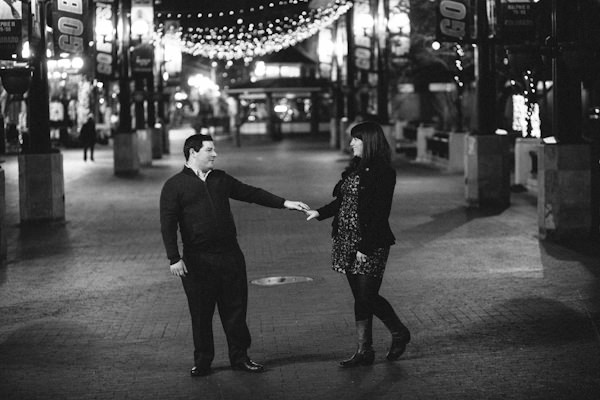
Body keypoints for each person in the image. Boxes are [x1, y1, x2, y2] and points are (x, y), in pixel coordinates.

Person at [160, 133, 309, 377]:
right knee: (201, 313)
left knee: (236, 310)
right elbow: (168, 224)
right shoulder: (174, 186)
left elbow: (251, 193)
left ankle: (240, 357)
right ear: (193, 153)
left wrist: (285, 203)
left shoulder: (220, 179)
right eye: (209, 150)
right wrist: (174, 258)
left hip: (230, 256)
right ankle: (203, 361)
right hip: (197, 261)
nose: (215, 154)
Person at [305, 121, 410, 367]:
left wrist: (365, 247)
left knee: (368, 296)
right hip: (345, 240)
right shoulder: (355, 168)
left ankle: (399, 332)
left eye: (355, 139)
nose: (351, 143)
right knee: (360, 297)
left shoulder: (384, 172)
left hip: (369, 242)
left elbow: (380, 213)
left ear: (369, 141)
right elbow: (343, 203)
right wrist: (319, 213)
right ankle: (364, 350)